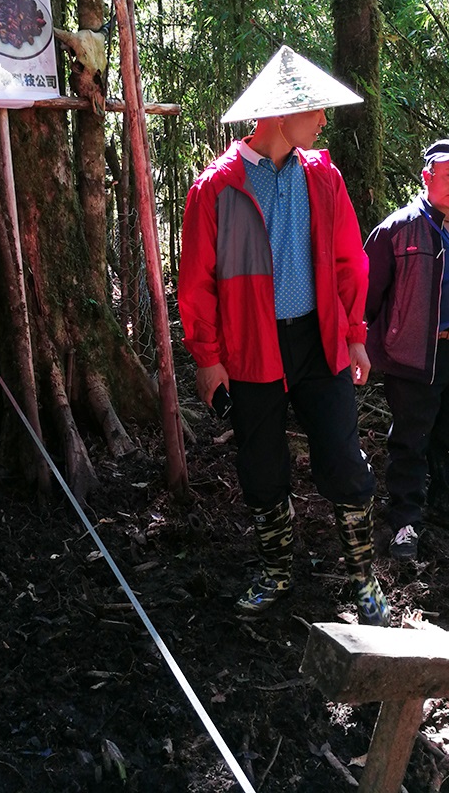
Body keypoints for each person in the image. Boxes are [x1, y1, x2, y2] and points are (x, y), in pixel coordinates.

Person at [177, 45, 390, 627]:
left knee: (344, 459)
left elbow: (350, 261)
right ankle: (274, 571)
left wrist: (354, 334)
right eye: (314, 109)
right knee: (262, 465)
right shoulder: (216, 188)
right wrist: (207, 356)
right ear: (277, 115)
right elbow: (196, 281)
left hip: (319, 343)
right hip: (251, 349)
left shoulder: (323, 176)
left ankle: (364, 578)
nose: (323, 120)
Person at [364, 138, 449, 560]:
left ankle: (447, 502)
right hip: (414, 355)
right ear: (427, 177)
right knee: (411, 438)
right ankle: (404, 520)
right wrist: (364, 347)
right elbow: (367, 296)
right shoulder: (398, 229)